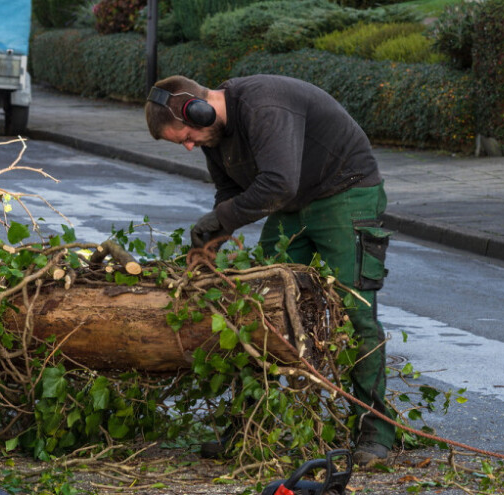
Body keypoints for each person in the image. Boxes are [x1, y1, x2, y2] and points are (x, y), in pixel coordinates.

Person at [144, 74, 394, 466]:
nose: (190, 145)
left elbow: (278, 182)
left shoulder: (265, 105)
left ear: (200, 109)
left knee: (356, 311)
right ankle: (247, 428)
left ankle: (376, 433)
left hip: (345, 192)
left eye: (188, 135)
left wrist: (221, 217)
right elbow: (231, 194)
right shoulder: (216, 134)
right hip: (293, 205)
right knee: (257, 309)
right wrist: (213, 240)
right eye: (183, 143)